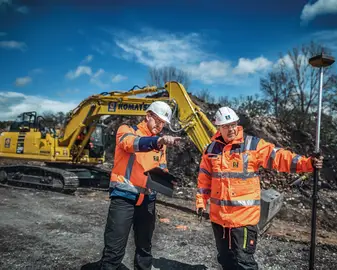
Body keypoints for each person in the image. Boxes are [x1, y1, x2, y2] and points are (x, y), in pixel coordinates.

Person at [195, 106, 324, 270]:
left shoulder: (252, 145)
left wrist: (307, 163)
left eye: (233, 124)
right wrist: (200, 202)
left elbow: (279, 157)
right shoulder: (211, 150)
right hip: (219, 219)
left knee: (243, 263)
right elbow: (204, 179)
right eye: (226, 126)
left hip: (243, 220)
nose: (231, 129)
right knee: (225, 260)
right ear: (219, 127)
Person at [99, 101, 181, 270]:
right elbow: (132, 144)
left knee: (145, 249)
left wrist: (166, 179)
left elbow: (161, 167)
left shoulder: (160, 143)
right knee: (114, 250)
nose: (160, 126)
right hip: (124, 197)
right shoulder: (126, 131)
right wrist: (157, 141)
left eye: (163, 123)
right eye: (157, 121)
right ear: (148, 116)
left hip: (148, 200)